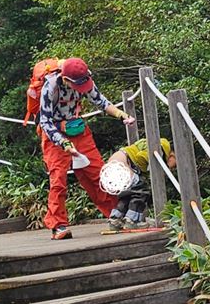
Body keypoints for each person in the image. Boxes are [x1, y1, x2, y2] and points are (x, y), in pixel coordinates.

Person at [38, 57, 136, 240]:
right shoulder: (50, 86)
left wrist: (121, 115)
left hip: (78, 129)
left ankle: (115, 214)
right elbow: (44, 121)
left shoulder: (85, 79)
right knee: (58, 179)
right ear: (66, 79)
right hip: (54, 134)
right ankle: (58, 225)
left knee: (98, 173)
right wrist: (64, 144)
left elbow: (101, 102)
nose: (82, 88)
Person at [105, 138, 177, 231]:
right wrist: (142, 173)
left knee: (127, 195)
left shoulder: (156, 142)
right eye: (175, 165)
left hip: (114, 162)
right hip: (125, 163)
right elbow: (141, 157)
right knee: (141, 191)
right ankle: (132, 220)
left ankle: (115, 220)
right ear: (172, 155)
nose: (173, 169)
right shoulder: (162, 147)